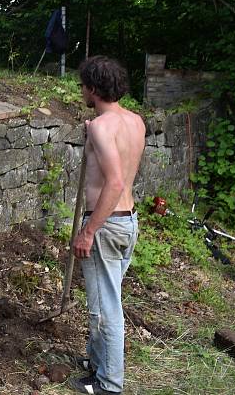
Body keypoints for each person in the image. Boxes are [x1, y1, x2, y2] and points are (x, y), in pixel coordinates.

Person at [69, 56, 145, 395]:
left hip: (106, 225)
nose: (81, 90)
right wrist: (91, 135)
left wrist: (88, 231)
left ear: (94, 89)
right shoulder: (134, 121)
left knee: (106, 309)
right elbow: (120, 162)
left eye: (84, 85)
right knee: (102, 303)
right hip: (127, 222)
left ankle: (109, 384)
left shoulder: (102, 127)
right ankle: (97, 364)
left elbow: (113, 183)